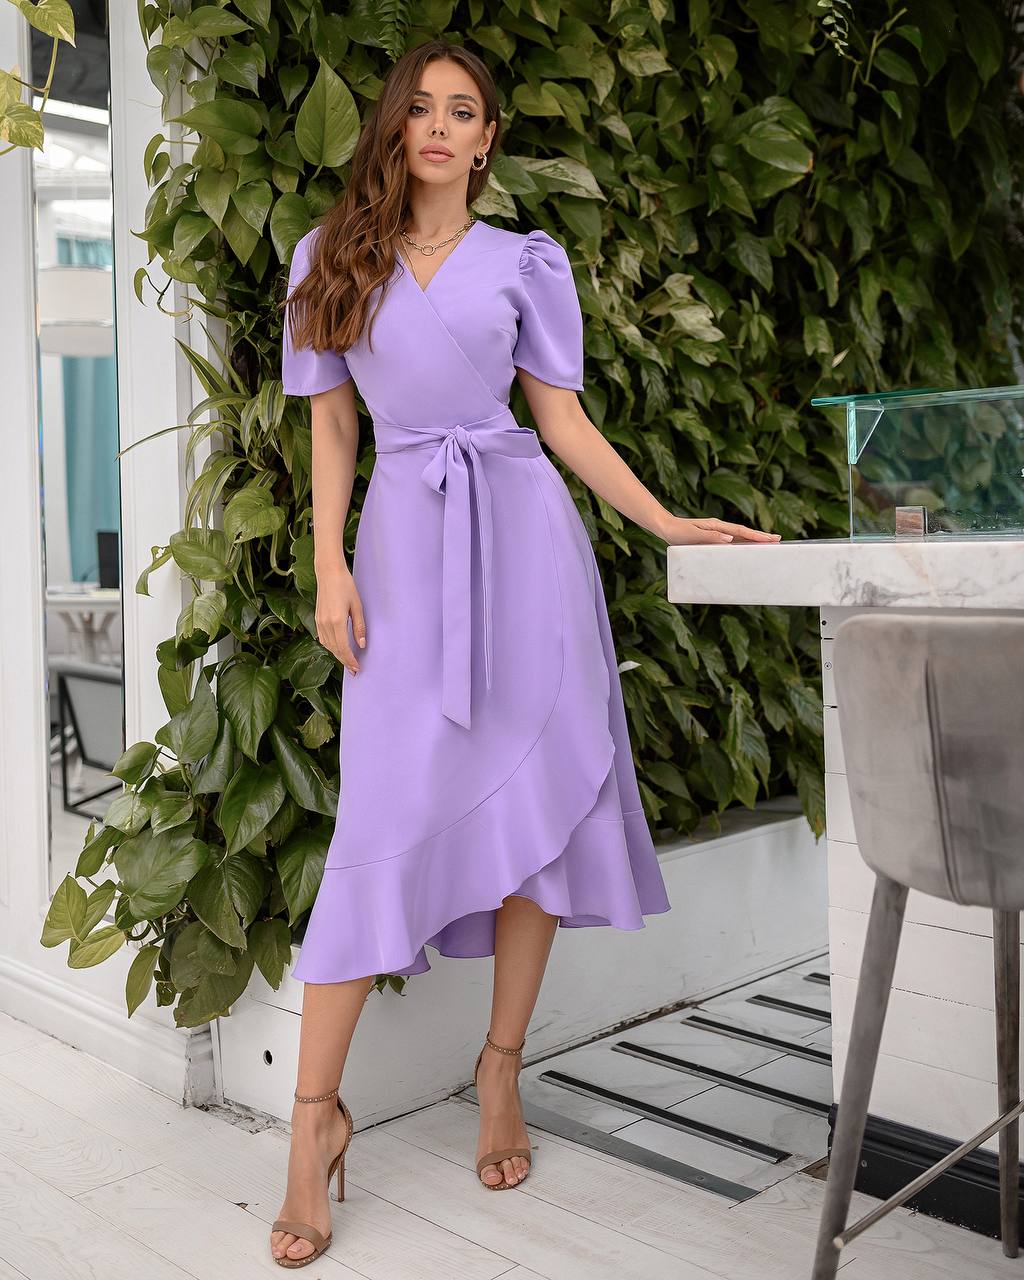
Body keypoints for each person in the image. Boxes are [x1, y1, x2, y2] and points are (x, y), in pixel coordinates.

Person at [271, 37, 781, 1267]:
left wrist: (663, 518)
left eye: (465, 111)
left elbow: (559, 420)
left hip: (526, 549)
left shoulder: (524, 261)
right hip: (402, 548)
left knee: (533, 816)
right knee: (375, 826)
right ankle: (310, 1121)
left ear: (489, 138)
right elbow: (330, 423)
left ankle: (501, 1069)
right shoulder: (328, 256)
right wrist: (331, 562)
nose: (440, 127)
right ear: (393, 126)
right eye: (422, 108)